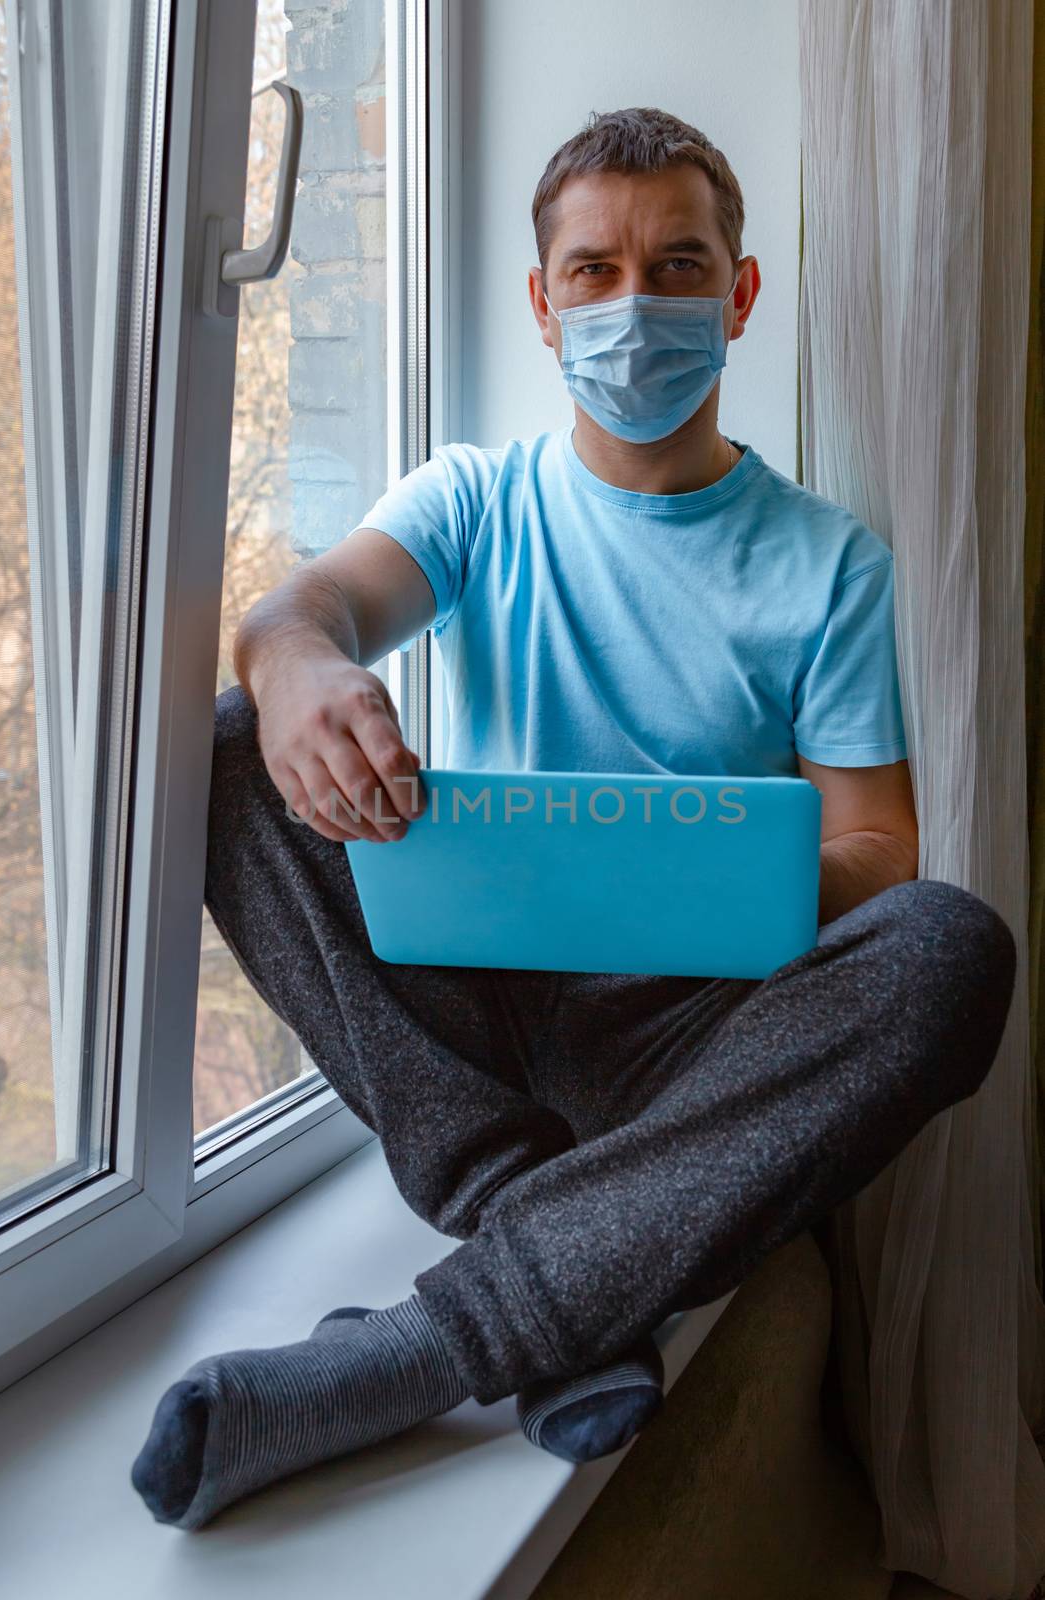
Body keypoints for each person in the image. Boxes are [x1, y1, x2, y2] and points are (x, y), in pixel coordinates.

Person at [131, 107, 1017, 1531]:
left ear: (736, 293)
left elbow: (878, 850)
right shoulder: (475, 499)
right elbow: (307, 611)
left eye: (675, 265)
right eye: (593, 271)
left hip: (693, 1038)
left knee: (949, 945)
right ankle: (541, 1228)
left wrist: (704, 882)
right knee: (237, 744)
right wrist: (299, 663)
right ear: (544, 307)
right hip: (471, 1016)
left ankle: (428, 1346)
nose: (633, 302)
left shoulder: (827, 565)